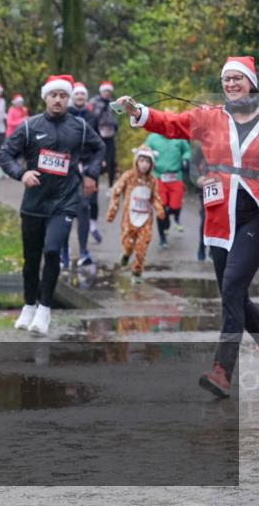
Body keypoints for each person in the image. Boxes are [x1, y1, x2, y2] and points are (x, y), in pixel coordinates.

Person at [117, 55, 259, 398]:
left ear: (252, 83)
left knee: (232, 284)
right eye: (226, 79)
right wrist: (139, 112)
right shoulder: (210, 117)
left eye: (238, 79)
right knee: (232, 294)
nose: (231, 84)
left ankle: (221, 371)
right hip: (218, 217)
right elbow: (171, 124)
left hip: (255, 215)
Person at [0, 75, 105, 336]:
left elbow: (100, 147)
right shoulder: (29, 126)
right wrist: (21, 173)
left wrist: (90, 173)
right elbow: (4, 154)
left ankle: (45, 309)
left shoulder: (78, 127)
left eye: (63, 96)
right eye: (53, 95)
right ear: (45, 97)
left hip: (65, 202)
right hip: (34, 203)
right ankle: (28, 305)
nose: (58, 100)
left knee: (53, 250)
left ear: (68, 99)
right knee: (31, 259)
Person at [106, 146, 166, 282]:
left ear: (151, 164)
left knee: (142, 246)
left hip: (145, 219)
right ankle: (126, 254)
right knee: (128, 244)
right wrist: (112, 211)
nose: (144, 164)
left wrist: (159, 210)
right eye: (142, 160)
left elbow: (155, 197)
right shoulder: (129, 176)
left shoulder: (152, 180)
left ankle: (137, 272)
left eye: (147, 162)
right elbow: (116, 191)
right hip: (129, 218)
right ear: (136, 161)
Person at [63, 82, 98, 267]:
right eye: (76, 95)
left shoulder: (91, 116)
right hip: (65, 167)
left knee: (83, 208)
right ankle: (64, 251)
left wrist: (93, 169)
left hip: (84, 167)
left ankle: (83, 250)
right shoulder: (64, 115)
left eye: (82, 95)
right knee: (63, 210)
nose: (80, 98)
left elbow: (98, 143)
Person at [143, 132, 191, 248]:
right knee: (161, 209)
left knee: (175, 207)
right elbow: (144, 151)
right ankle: (162, 238)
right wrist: (146, 160)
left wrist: (185, 159)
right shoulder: (153, 138)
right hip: (159, 177)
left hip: (176, 176)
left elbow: (187, 151)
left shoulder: (179, 137)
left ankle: (171, 219)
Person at [91, 80, 119, 186]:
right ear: (101, 91)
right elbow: (93, 117)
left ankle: (111, 185)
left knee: (111, 160)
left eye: (108, 91)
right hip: (98, 134)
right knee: (98, 160)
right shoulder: (94, 101)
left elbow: (116, 116)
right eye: (105, 91)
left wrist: (116, 125)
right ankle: (95, 183)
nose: (107, 93)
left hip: (110, 134)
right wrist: (103, 107)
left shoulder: (113, 102)